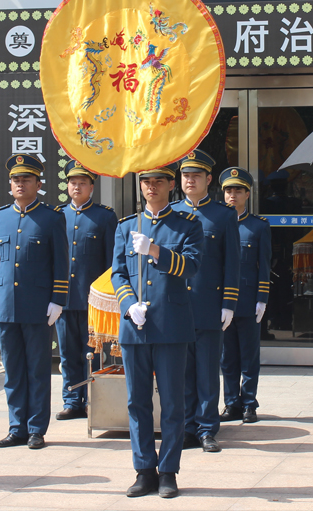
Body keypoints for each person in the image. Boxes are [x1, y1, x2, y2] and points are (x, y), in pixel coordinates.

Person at [112, 164, 203, 498]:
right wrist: (127, 304)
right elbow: (118, 274)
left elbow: (191, 266)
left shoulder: (187, 225)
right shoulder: (126, 226)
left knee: (173, 403)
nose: (151, 187)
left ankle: (168, 471)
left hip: (171, 325)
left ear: (170, 185)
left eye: (158, 182)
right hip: (135, 326)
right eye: (146, 182)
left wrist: (154, 250)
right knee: (137, 403)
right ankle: (143, 470)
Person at [0, 154, 69, 450]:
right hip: (5, 305)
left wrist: (58, 299)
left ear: (38, 184)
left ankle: (36, 429)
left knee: (37, 370)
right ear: (10, 185)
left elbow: (60, 263)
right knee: (13, 371)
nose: (20, 184)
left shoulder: (52, 218)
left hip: (37, 306)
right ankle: (16, 426)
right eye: (16, 180)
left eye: (26, 180)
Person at [171, 150, 240, 453]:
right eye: (186, 175)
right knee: (181, 371)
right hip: (176, 307)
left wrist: (229, 302)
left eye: (196, 175)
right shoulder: (171, 213)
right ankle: (187, 427)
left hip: (209, 304)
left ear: (209, 179)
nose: (190, 180)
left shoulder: (224, 216)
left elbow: (232, 263)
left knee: (208, 372)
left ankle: (207, 428)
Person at [54, 160, 117, 420]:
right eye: (73, 182)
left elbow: (112, 262)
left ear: (92, 187)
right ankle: (72, 401)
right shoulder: (57, 215)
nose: (77, 187)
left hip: (94, 302)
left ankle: (94, 400)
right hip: (65, 300)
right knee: (68, 354)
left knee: (92, 354)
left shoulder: (105, 216)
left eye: (82, 183)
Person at [218, 167, 271, 424]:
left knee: (249, 356)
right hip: (222, 303)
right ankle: (231, 404)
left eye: (238, 190)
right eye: (228, 190)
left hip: (248, 300)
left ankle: (249, 403)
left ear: (247, 194)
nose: (232, 195)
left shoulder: (257, 226)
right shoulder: (217, 224)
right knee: (227, 358)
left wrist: (263, 298)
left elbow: (264, 264)